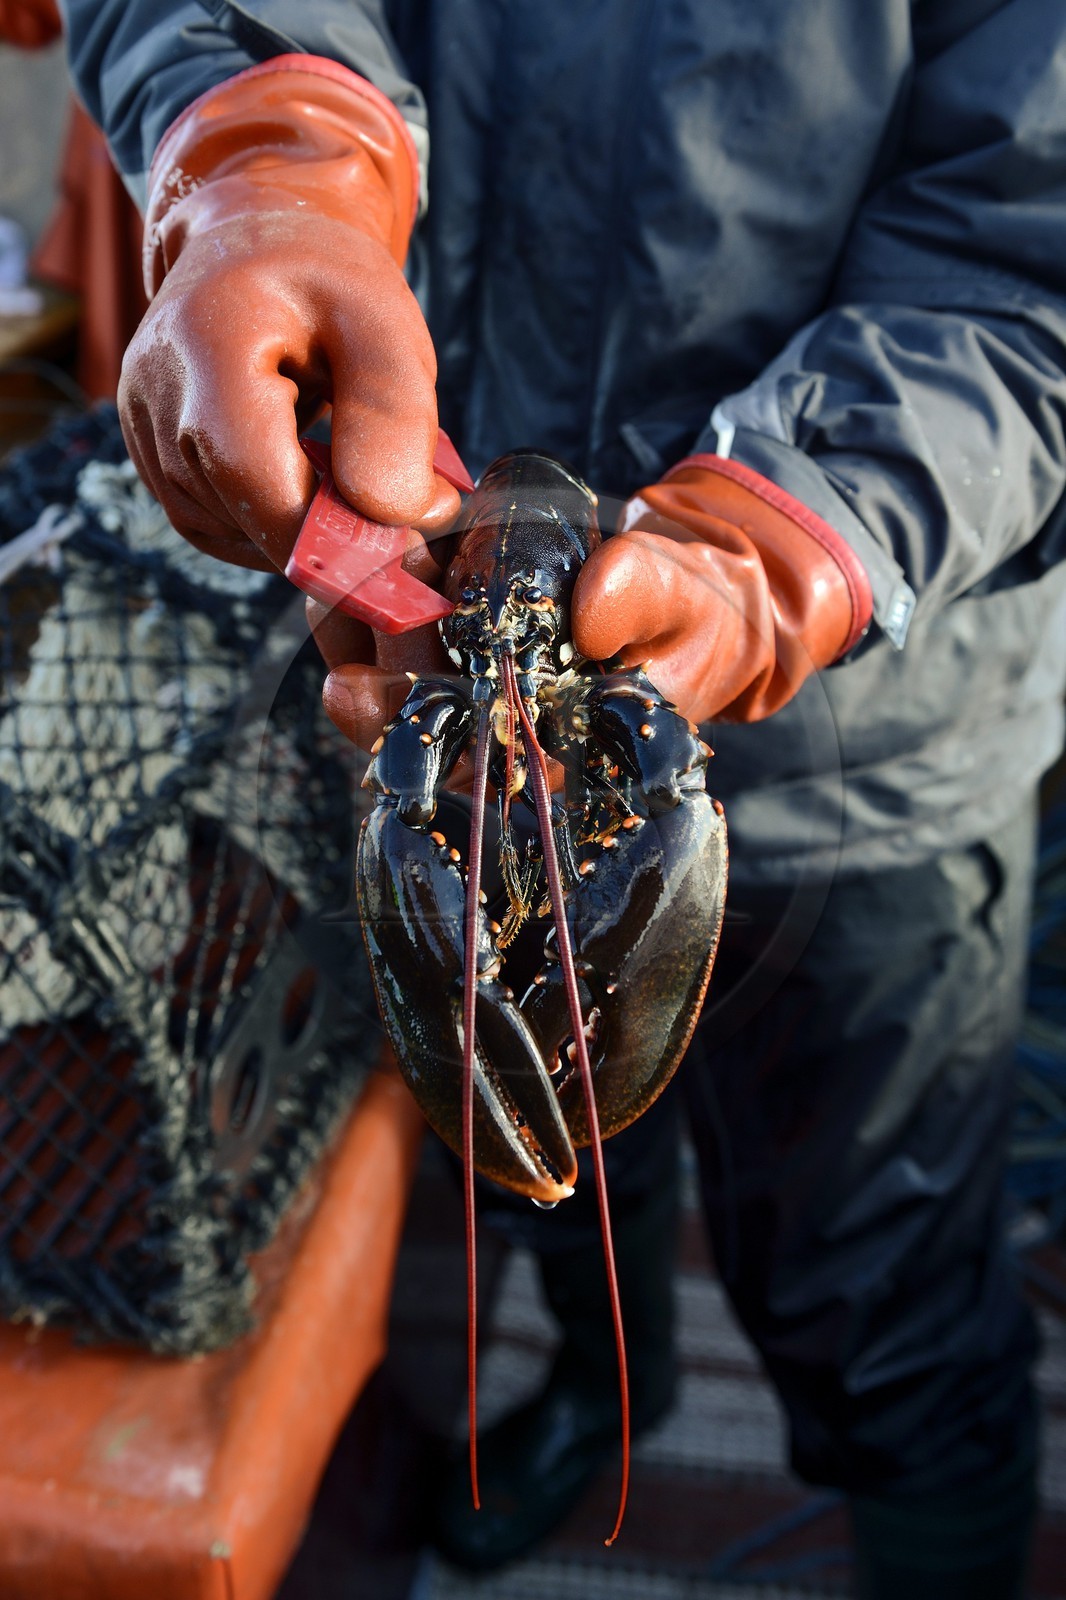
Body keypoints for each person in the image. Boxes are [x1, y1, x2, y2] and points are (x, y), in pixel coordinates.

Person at [59, 2, 1066, 1593]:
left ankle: (933, 1544)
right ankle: (608, 1396)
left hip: (874, 751)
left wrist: (775, 538)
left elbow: (1032, 269)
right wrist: (272, 153)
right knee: (528, 1146)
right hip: (454, 699)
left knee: (884, 1290)